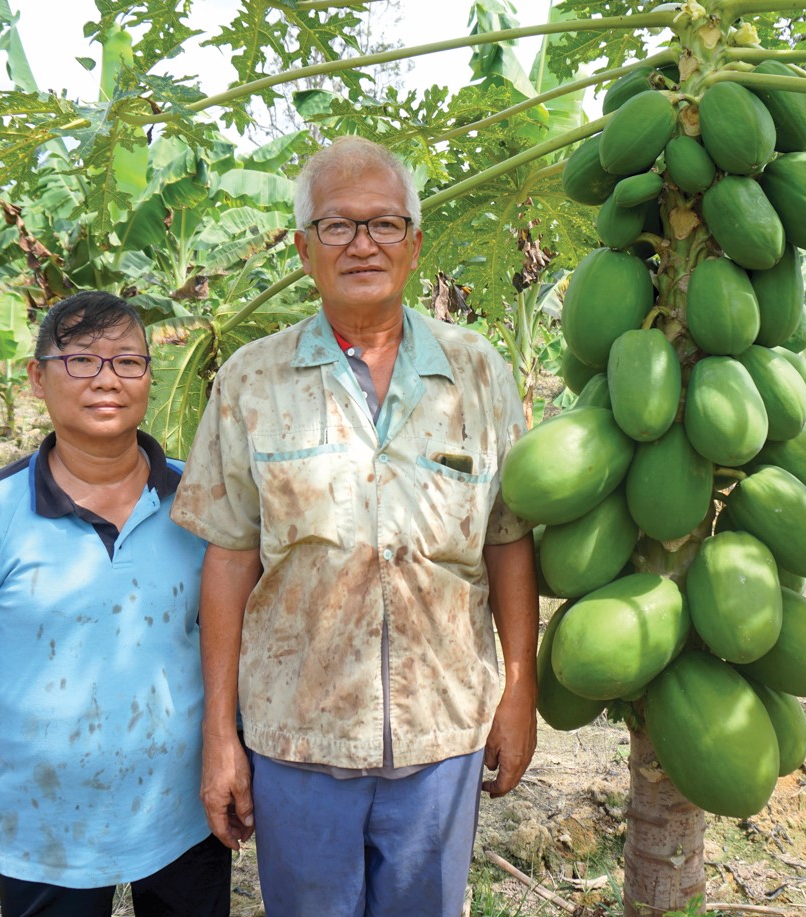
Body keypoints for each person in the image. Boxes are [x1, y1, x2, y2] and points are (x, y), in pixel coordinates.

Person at [171, 136, 539, 916]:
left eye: (383, 224)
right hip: (298, 736)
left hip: (442, 733)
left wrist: (519, 688)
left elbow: (508, 537)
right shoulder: (251, 380)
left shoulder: (479, 371)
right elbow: (229, 557)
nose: (362, 243)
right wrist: (220, 735)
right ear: (305, 248)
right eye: (338, 226)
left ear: (413, 243)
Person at [0, 291, 230, 917]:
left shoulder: (198, 501)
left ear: (149, 378)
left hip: (183, 818)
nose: (107, 379)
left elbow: (237, 641)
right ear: (37, 377)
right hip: (47, 831)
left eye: (127, 362)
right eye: (80, 360)